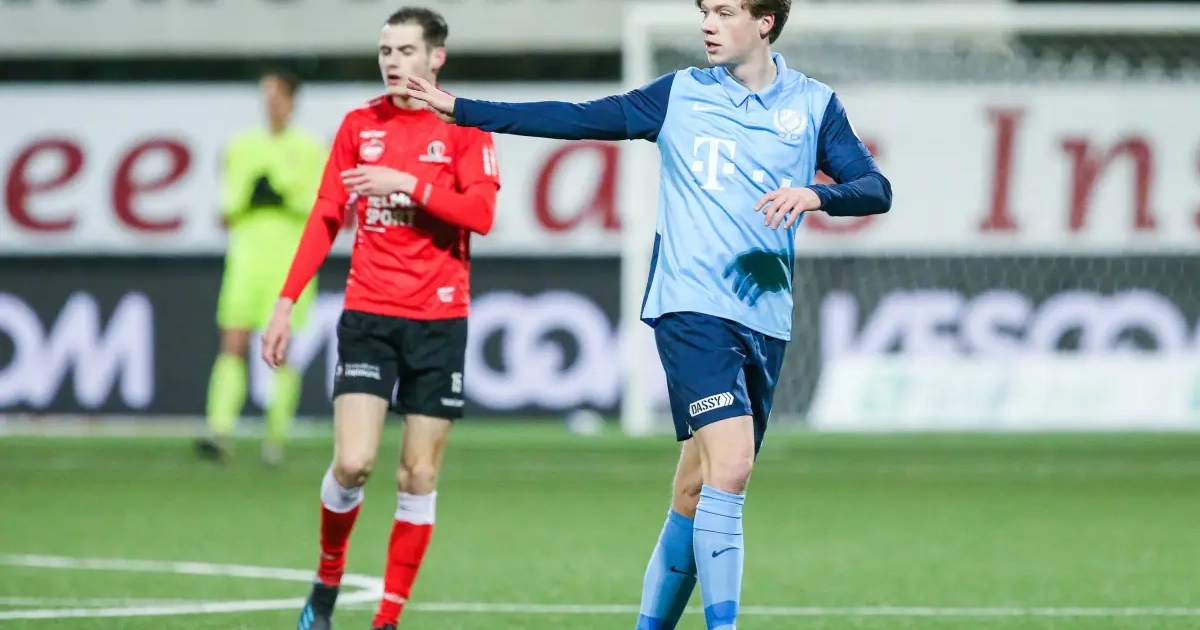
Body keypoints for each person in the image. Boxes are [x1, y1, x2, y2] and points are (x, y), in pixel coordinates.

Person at [406, 0, 892, 628]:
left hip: (765, 316)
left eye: (724, 11)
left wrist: (815, 194)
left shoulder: (814, 104)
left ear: (764, 22)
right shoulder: (680, 95)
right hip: (691, 309)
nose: (707, 24)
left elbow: (874, 189)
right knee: (733, 465)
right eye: (704, 11)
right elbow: (576, 118)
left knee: (696, 488)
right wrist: (464, 108)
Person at [260, 7, 501, 630]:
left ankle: (386, 618)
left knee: (418, 474)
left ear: (436, 58)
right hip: (369, 312)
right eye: (385, 51)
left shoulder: (465, 128)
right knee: (353, 464)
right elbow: (325, 215)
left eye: (405, 50)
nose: (393, 61)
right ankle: (327, 579)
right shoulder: (359, 124)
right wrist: (286, 302)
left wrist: (407, 183)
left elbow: (480, 215)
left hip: (439, 321)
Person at [197, 69, 326, 466]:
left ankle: (275, 436)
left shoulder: (310, 148)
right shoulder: (241, 146)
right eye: (266, 96)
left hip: (289, 260)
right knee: (233, 341)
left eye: (278, 96)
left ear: (292, 101)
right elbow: (226, 209)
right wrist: (248, 200)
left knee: (281, 348)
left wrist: (283, 197)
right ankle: (219, 430)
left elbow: (321, 206)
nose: (271, 104)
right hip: (247, 258)